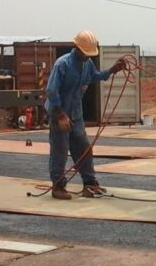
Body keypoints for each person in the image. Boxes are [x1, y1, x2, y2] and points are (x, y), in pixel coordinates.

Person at [46, 30, 126, 199]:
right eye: (84, 53)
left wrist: (112, 70)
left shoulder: (87, 63)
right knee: (60, 150)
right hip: (59, 112)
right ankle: (58, 186)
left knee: (84, 149)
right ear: (76, 47)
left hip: (76, 113)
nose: (86, 56)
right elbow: (51, 91)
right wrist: (60, 115)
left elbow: (94, 77)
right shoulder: (63, 64)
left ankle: (89, 183)